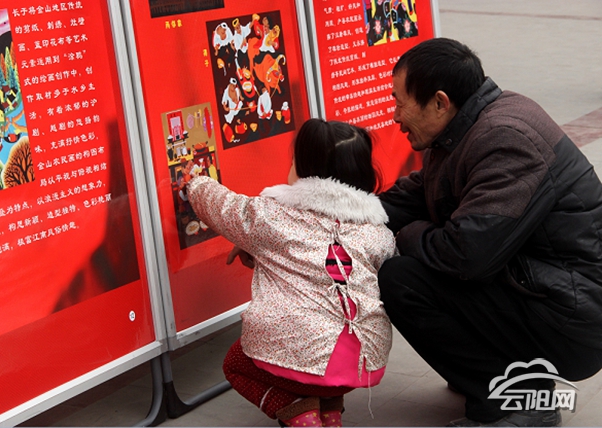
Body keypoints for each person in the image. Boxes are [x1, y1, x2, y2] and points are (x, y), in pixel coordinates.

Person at [377, 37, 602, 426]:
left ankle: (521, 401)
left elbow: (467, 256)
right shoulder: (466, 125)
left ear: (440, 102)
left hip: (572, 317)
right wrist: (335, 210)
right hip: (544, 289)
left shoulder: (506, 139)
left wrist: (406, 235)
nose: (395, 115)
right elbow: (413, 196)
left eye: (400, 102)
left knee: (403, 279)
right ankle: (493, 371)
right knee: (416, 263)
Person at [187, 119, 397, 427]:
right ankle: (330, 414)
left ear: (303, 170)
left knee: (237, 364)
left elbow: (222, 207)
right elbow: (332, 264)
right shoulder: (378, 232)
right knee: (329, 341)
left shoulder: (271, 216)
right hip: (364, 361)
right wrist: (259, 253)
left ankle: (298, 412)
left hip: (301, 355)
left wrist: (195, 182)